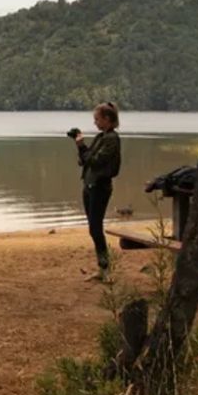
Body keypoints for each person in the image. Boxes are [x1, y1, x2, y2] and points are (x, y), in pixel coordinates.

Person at [73, 102, 121, 280]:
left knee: (95, 228)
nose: (95, 123)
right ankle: (103, 268)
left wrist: (81, 147)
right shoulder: (102, 137)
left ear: (107, 119)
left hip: (100, 187)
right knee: (94, 228)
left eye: (97, 119)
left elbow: (95, 161)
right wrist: (82, 149)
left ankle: (105, 269)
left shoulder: (111, 139)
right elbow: (85, 160)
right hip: (90, 186)